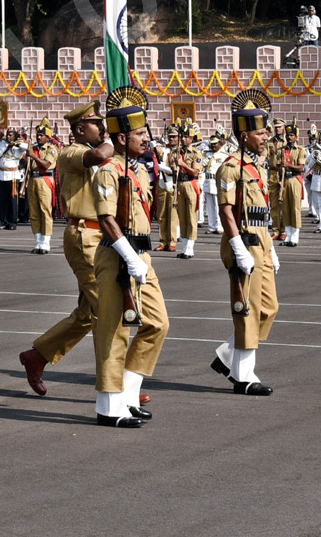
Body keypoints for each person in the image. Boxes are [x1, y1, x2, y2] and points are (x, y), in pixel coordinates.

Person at [20, 101, 132, 401]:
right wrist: (116, 138)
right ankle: (115, 382)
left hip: (104, 237)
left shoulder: (100, 154)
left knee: (88, 313)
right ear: (81, 129)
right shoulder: (71, 152)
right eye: (98, 125)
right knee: (109, 310)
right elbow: (97, 155)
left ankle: (38, 355)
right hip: (85, 235)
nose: (104, 129)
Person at [89, 86, 169, 427]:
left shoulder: (137, 170)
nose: (144, 139)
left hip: (140, 255)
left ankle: (129, 394)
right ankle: (109, 407)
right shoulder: (108, 171)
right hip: (117, 255)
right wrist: (128, 256)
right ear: (121, 139)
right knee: (114, 331)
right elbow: (107, 218)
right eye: (138, 134)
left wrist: (139, 259)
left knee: (157, 323)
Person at [212, 88, 279, 396]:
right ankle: (243, 376)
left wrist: (271, 247)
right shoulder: (230, 167)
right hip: (243, 242)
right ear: (244, 136)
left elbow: (260, 210)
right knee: (248, 310)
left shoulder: (255, 166)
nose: (266, 138)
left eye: (266, 132)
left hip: (261, 241)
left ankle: (227, 354)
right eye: (261, 133)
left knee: (269, 308)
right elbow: (226, 211)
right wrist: (238, 248)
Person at [173, 120, 203, 258]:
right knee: (182, 217)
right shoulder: (178, 151)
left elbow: (195, 172)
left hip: (191, 184)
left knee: (191, 217)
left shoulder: (196, 153)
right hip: (180, 184)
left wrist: (182, 164)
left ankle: (190, 249)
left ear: (192, 138)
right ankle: (184, 248)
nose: (184, 139)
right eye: (182, 136)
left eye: (186, 137)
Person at [27, 119, 58, 254]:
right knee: (34, 212)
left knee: (45, 211)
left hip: (45, 179)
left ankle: (46, 242)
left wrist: (33, 156)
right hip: (33, 179)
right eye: (37, 134)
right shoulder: (33, 148)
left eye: (41, 135)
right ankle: (38, 241)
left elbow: (46, 164)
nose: (38, 137)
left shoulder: (52, 149)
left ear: (48, 137)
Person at [279, 123, 307, 246]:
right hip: (285, 180)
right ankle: (288, 235)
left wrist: (288, 165)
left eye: (291, 135)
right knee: (285, 209)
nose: (289, 137)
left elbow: (301, 168)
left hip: (295, 179)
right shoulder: (282, 150)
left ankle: (295, 236)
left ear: (296, 137)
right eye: (287, 135)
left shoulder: (301, 150)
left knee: (295, 208)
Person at [154, 126, 179, 251]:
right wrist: (153, 145)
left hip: (172, 184)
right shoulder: (164, 149)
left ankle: (172, 241)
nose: (171, 139)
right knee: (162, 214)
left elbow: (176, 171)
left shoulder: (179, 152)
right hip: (162, 184)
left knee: (173, 216)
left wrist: (163, 168)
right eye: (170, 136)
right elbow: (154, 151)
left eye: (174, 136)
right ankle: (163, 240)